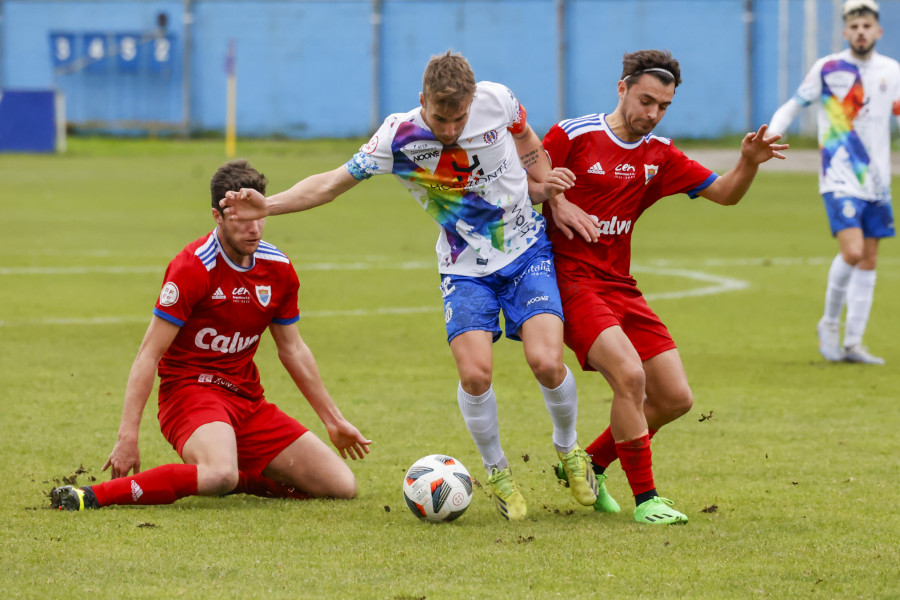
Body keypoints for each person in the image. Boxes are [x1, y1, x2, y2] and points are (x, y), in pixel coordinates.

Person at [220, 50, 598, 521]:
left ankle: (569, 449)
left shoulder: (499, 100)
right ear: (422, 101)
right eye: (440, 118)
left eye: (458, 117)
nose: (449, 129)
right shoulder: (397, 136)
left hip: (525, 253)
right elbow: (330, 185)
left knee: (546, 362)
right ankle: (498, 471)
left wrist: (545, 185)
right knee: (475, 375)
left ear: (474, 100)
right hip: (464, 268)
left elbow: (525, 136)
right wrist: (268, 206)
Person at [539, 49, 788, 524]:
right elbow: (526, 179)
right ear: (622, 88)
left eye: (663, 106)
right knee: (631, 378)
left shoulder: (660, 155)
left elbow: (725, 194)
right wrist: (557, 201)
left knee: (675, 398)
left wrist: (749, 162)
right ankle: (647, 498)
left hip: (620, 286)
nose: (652, 114)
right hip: (570, 283)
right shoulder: (573, 134)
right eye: (646, 101)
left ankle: (588, 463)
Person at [51, 160, 371, 511]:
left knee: (341, 486)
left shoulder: (277, 268)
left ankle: (236, 478)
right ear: (217, 217)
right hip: (190, 393)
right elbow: (148, 355)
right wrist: (127, 435)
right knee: (220, 473)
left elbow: (292, 349)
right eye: (241, 218)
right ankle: (91, 496)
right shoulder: (193, 266)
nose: (254, 228)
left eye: (260, 215)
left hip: (247, 402)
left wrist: (334, 420)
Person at [769, 0, 897, 365]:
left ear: (878, 31)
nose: (860, 32)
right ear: (845, 32)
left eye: (866, 26)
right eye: (854, 26)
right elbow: (794, 104)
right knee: (853, 251)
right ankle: (828, 323)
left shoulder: (892, 71)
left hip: (877, 180)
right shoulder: (828, 68)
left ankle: (854, 343)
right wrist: (772, 134)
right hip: (839, 175)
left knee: (869, 259)